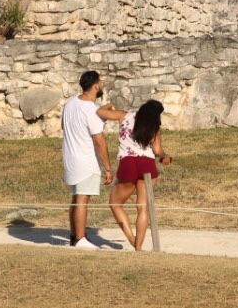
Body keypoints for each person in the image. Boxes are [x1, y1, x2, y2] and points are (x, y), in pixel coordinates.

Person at [101, 98, 173, 251]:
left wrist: (109, 105)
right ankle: (138, 247)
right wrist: (165, 156)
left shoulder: (124, 115)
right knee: (142, 208)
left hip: (128, 163)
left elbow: (100, 112)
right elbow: (157, 150)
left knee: (115, 203)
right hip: (147, 164)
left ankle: (132, 239)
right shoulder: (154, 127)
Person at [61, 70, 115, 249]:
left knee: (76, 198)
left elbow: (69, 126)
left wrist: (105, 109)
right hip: (86, 161)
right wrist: (108, 168)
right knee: (83, 199)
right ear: (96, 86)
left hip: (71, 159)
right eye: (101, 82)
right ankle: (80, 238)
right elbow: (99, 140)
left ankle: (74, 235)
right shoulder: (90, 110)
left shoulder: (70, 104)